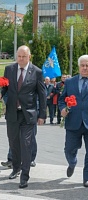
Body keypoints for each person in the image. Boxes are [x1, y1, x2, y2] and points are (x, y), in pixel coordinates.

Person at [0, 45, 46, 188]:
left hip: (28, 115)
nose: (21, 59)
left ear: (29, 56)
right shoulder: (9, 69)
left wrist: (42, 115)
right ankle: (16, 168)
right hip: (12, 113)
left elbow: (42, 95)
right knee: (14, 143)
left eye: (24, 56)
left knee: (26, 144)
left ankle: (25, 175)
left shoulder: (37, 72)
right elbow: (4, 87)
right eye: (19, 56)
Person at [58, 55, 88, 188]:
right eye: (82, 65)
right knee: (69, 149)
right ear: (79, 66)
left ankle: (86, 178)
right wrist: (63, 109)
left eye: (87, 65)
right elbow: (61, 99)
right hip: (73, 122)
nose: (85, 68)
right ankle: (72, 162)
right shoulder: (70, 82)